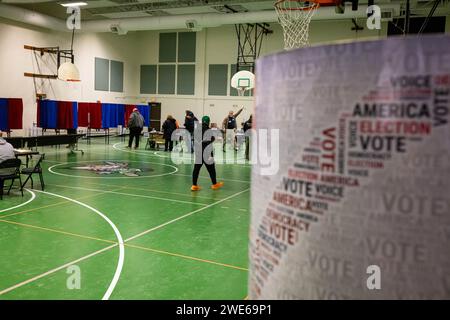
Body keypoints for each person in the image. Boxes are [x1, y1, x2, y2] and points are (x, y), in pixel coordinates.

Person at [191, 115, 223, 191]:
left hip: (199, 151)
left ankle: (194, 185)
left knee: (196, 169)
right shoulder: (209, 130)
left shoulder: (197, 129)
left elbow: (193, 139)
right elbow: (212, 139)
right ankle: (214, 184)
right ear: (208, 122)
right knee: (211, 169)